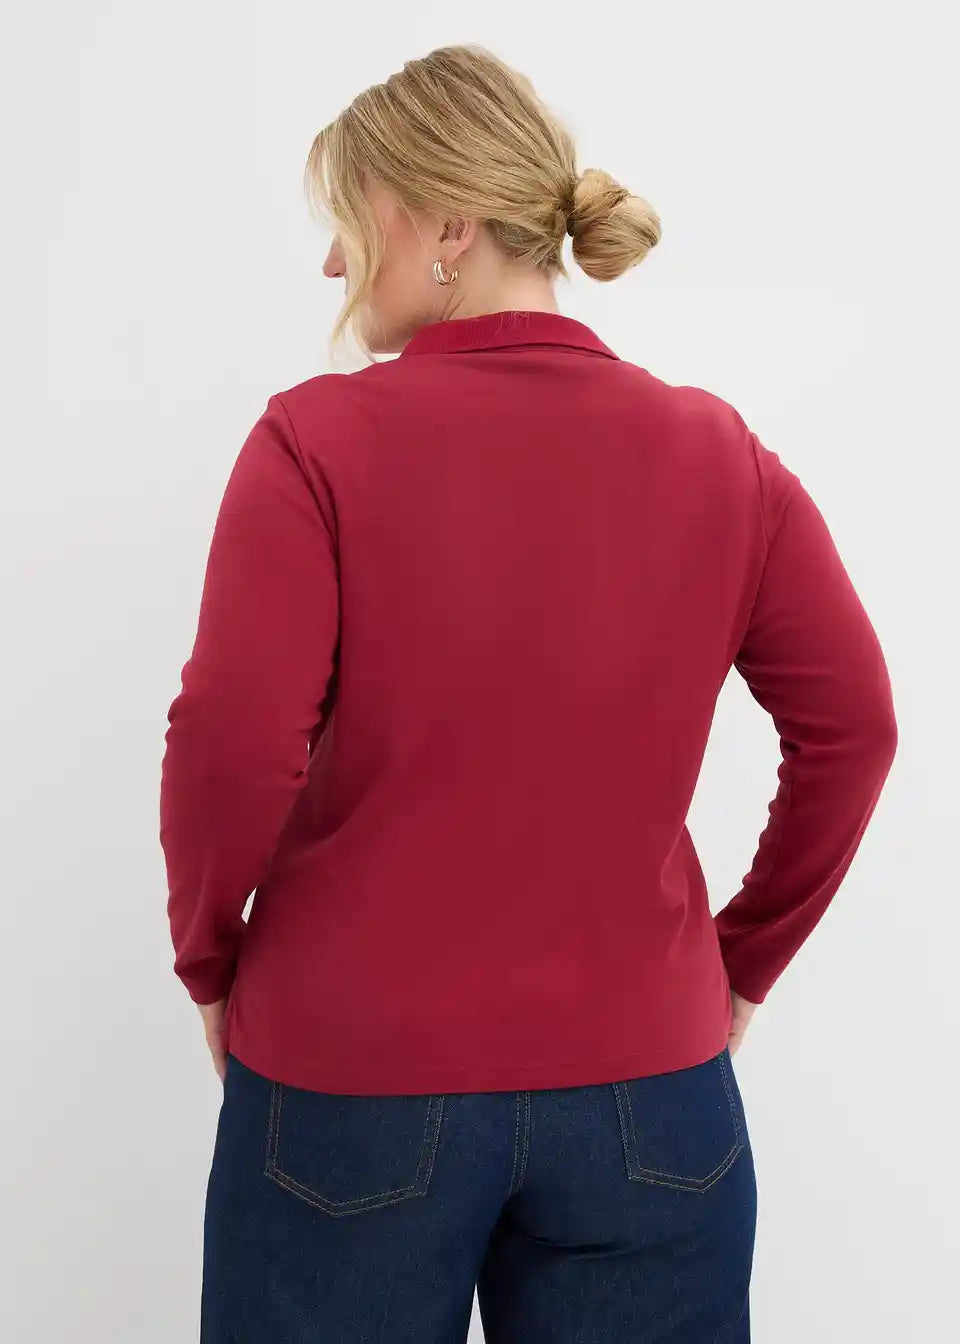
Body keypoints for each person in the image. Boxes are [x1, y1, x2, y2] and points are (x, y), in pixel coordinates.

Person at [159, 43, 898, 1344]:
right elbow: (856, 729)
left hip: (350, 1085)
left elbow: (231, 739)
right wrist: (738, 966)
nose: (330, 264)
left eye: (348, 221)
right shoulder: (717, 452)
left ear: (446, 224)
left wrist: (211, 955)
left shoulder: (315, 441)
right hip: (651, 1096)